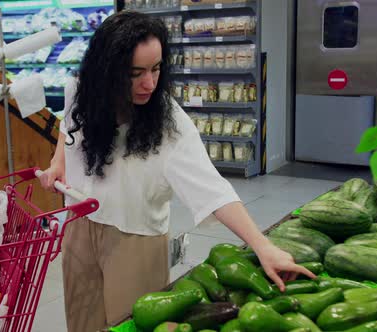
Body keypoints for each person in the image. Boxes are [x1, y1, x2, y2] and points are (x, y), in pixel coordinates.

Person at [39, 11, 315, 332]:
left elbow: (213, 189)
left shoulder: (169, 123)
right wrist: (59, 162)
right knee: (81, 321)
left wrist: (262, 246)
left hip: (134, 238)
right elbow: (69, 127)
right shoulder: (81, 89)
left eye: (156, 69)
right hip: (79, 226)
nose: (149, 83)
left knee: (133, 324)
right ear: (107, 72)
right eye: (135, 72)